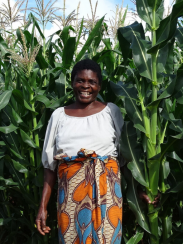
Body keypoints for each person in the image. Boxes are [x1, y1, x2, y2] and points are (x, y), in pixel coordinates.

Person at [36, 59, 124, 244]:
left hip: (107, 196)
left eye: (92, 82)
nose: (86, 86)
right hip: (70, 199)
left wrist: (139, 189)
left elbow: (126, 156)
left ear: (99, 85)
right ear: (72, 83)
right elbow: (49, 168)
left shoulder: (111, 112)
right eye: (80, 81)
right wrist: (43, 207)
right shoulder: (59, 116)